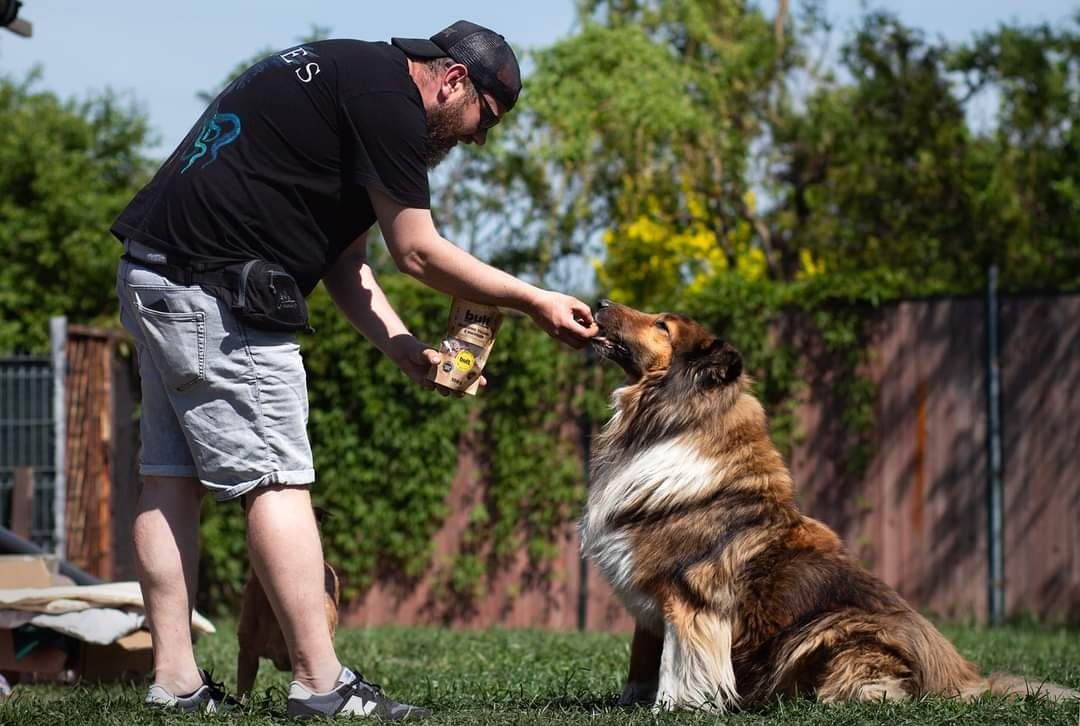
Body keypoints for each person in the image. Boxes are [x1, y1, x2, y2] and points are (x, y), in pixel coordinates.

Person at [112, 19, 597, 719]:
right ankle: (320, 683)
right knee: (277, 480)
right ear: (454, 80)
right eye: (482, 118)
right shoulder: (391, 104)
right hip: (221, 291)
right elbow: (420, 254)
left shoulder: (353, 76)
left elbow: (347, 262)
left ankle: (176, 683)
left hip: (156, 275)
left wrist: (401, 346)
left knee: (169, 477)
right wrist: (533, 299)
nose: (478, 137)